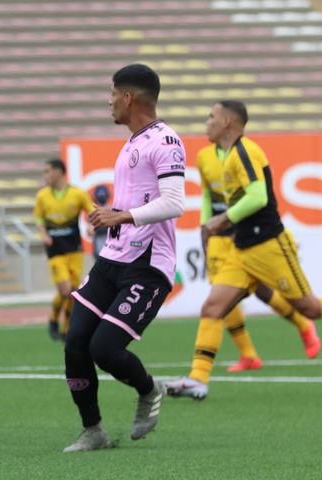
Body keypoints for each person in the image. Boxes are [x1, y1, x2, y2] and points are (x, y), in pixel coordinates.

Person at [63, 64, 186, 452]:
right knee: (75, 343)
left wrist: (122, 216)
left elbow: (174, 203)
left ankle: (149, 389)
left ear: (129, 97)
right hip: (113, 259)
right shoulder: (133, 141)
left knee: (104, 350)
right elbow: (139, 201)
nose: (109, 101)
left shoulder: (165, 140)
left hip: (147, 266)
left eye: (113, 93)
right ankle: (93, 430)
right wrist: (112, 215)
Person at [166, 100, 322, 400]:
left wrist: (220, 220)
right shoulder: (222, 156)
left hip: (269, 245)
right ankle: (198, 378)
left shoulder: (246, 150)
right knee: (213, 307)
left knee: (310, 309)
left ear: (226, 122)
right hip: (241, 250)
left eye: (211, 116)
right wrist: (211, 225)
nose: (207, 122)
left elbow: (258, 196)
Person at [34, 158, 95, 341]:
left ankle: (66, 330)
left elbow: (92, 211)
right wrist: (43, 234)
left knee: (74, 291)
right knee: (65, 289)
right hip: (55, 250)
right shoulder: (42, 196)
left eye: (47, 171)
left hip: (74, 248)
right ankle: (54, 320)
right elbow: (39, 219)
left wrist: (91, 225)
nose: (45, 175)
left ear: (59, 172)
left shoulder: (77, 194)